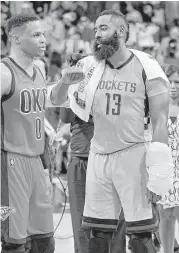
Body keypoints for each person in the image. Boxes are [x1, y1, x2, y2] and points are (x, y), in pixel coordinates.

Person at [49, 9, 173, 253]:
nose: (96, 34)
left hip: (133, 154)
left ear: (121, 31)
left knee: (140, 234)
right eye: (95, 29)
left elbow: (160, 122)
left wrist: (159, 174)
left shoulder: (147, 66)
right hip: (98, 155)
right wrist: (65, 81)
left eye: (103, 28)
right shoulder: (88, 66)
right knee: (98, 233)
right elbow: (55, 98)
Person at [59, 53, 126, 253]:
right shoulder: (77, 86)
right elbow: (65, 116)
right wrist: (71, 83)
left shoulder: (118, 84)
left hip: (112, 157)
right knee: (81, 223)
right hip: (82, 157)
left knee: (115, 223)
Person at [1, 15, 55, 253]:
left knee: (44, 241)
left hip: (37, 160)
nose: (43, 40)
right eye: (36, 35)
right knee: (15, 242)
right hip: (11, 161)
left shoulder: (39, 69)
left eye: (43, 34)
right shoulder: (4, 72)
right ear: (15, 38)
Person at [158, 64, 179, 253]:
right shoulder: (158, 109)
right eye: (170, 81)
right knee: (166, 214)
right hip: (163, 166)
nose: (173, 86)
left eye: (177, 82)